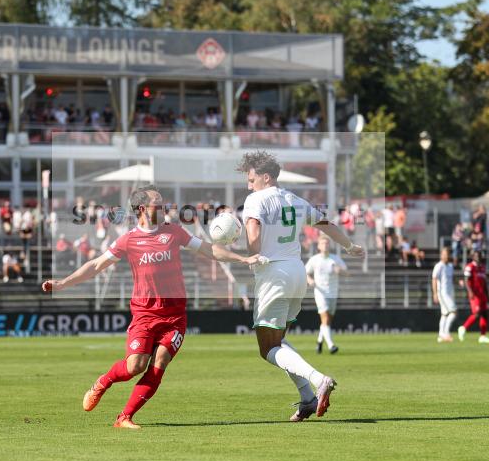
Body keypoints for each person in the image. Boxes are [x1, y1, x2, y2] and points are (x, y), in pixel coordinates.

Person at [43, 184, 264, 429]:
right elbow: (96, 265)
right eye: (157, 203)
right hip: (145, 314)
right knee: (134, 367)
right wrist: (62, 283)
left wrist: (242, 258)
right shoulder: (128, 240)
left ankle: (124, 417)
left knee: (160, 362)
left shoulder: (174, 232)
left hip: (174, 315)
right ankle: (103, 382)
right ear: (142, 209)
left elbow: (208, 249)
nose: (164, 206)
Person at [237, 151, 363, 422]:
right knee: (279, 342)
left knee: (267, 349)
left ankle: (318, 380)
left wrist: (245, 248)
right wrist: (350, 246)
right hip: (296, 271)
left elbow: (254, 238)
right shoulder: (294, 199)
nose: (248, 185)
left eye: (251, 179)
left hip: (274, 273)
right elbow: (326, 224)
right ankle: (307, 399)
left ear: (265, 177)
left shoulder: (255, 200)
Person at [305, 234, 347, 354]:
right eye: (323, 243)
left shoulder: (335, 259)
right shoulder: (314, 259)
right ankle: (331, 345)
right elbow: (305, 272)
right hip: (320, 292)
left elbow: (347, 272)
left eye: (327, 243)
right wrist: (310, 280)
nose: (325, 245)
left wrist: (340, 271)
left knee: (327, 321)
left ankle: (319, 341)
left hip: (333, 293)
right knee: (325, 318)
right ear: (318, 246)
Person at [457, 250, 489, 343]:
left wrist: (487, 295)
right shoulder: (470, 267)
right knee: (477, 313)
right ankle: (463, 327)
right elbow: (466, 280)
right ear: (473, 257)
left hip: (482, 294)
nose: (478, 257)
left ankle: (483, 336)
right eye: (477, 255)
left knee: (484, 314)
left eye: (480, 255)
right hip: (475, 294)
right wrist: (470, 292)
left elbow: (484, 283)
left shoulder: (482, 268)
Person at [431, 247, 457, 343]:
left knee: (445, 314)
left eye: (447, 254)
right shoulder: (439, 266)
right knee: (453, 312)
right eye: (444, 254)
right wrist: (435, 294)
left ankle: (441, 334)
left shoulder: (450, 266)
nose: (446, 256)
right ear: (441, 255)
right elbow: (434, 279)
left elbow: (452, 279)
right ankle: (445, 333)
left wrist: (459, 282)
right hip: (442, 293)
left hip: (450, 293)